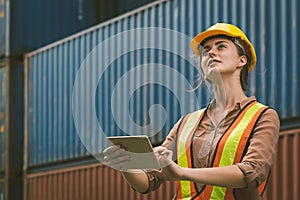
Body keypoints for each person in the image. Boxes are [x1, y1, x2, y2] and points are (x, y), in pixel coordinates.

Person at [103, 23, 280, 200]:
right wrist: (126, 164)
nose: (211, 53)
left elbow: (252, 172)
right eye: (206, 50)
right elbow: (149, 180)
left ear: (242, 60)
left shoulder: (263, 116)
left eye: (221, 46)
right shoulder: (186, 123)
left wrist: (182, 172)